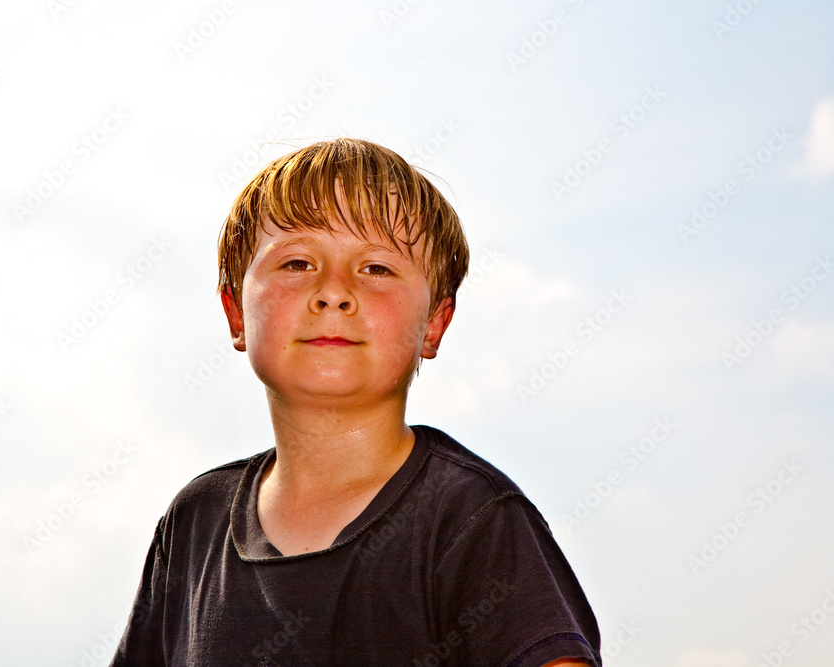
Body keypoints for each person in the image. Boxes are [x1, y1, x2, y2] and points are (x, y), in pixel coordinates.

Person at [110, 138, 601, 666]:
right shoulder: (193, 523)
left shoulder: (472, 520)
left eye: (377, 269)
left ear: (434, 323)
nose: (334, 291)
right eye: (298, 262)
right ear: (235, 313)